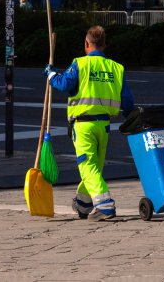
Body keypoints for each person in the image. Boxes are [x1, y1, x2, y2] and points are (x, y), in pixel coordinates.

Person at [44, 26, 135, 221]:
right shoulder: (116, 68)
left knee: (88, 166)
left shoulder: (80, 64)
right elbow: (127, 99)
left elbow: (64, 84)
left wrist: (51, 75)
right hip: (104, 126)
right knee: (95, 167)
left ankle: (105, 205)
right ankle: (84, 204)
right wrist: (132, 117)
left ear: (86, 44)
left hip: (83, 125)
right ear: (104, 45)